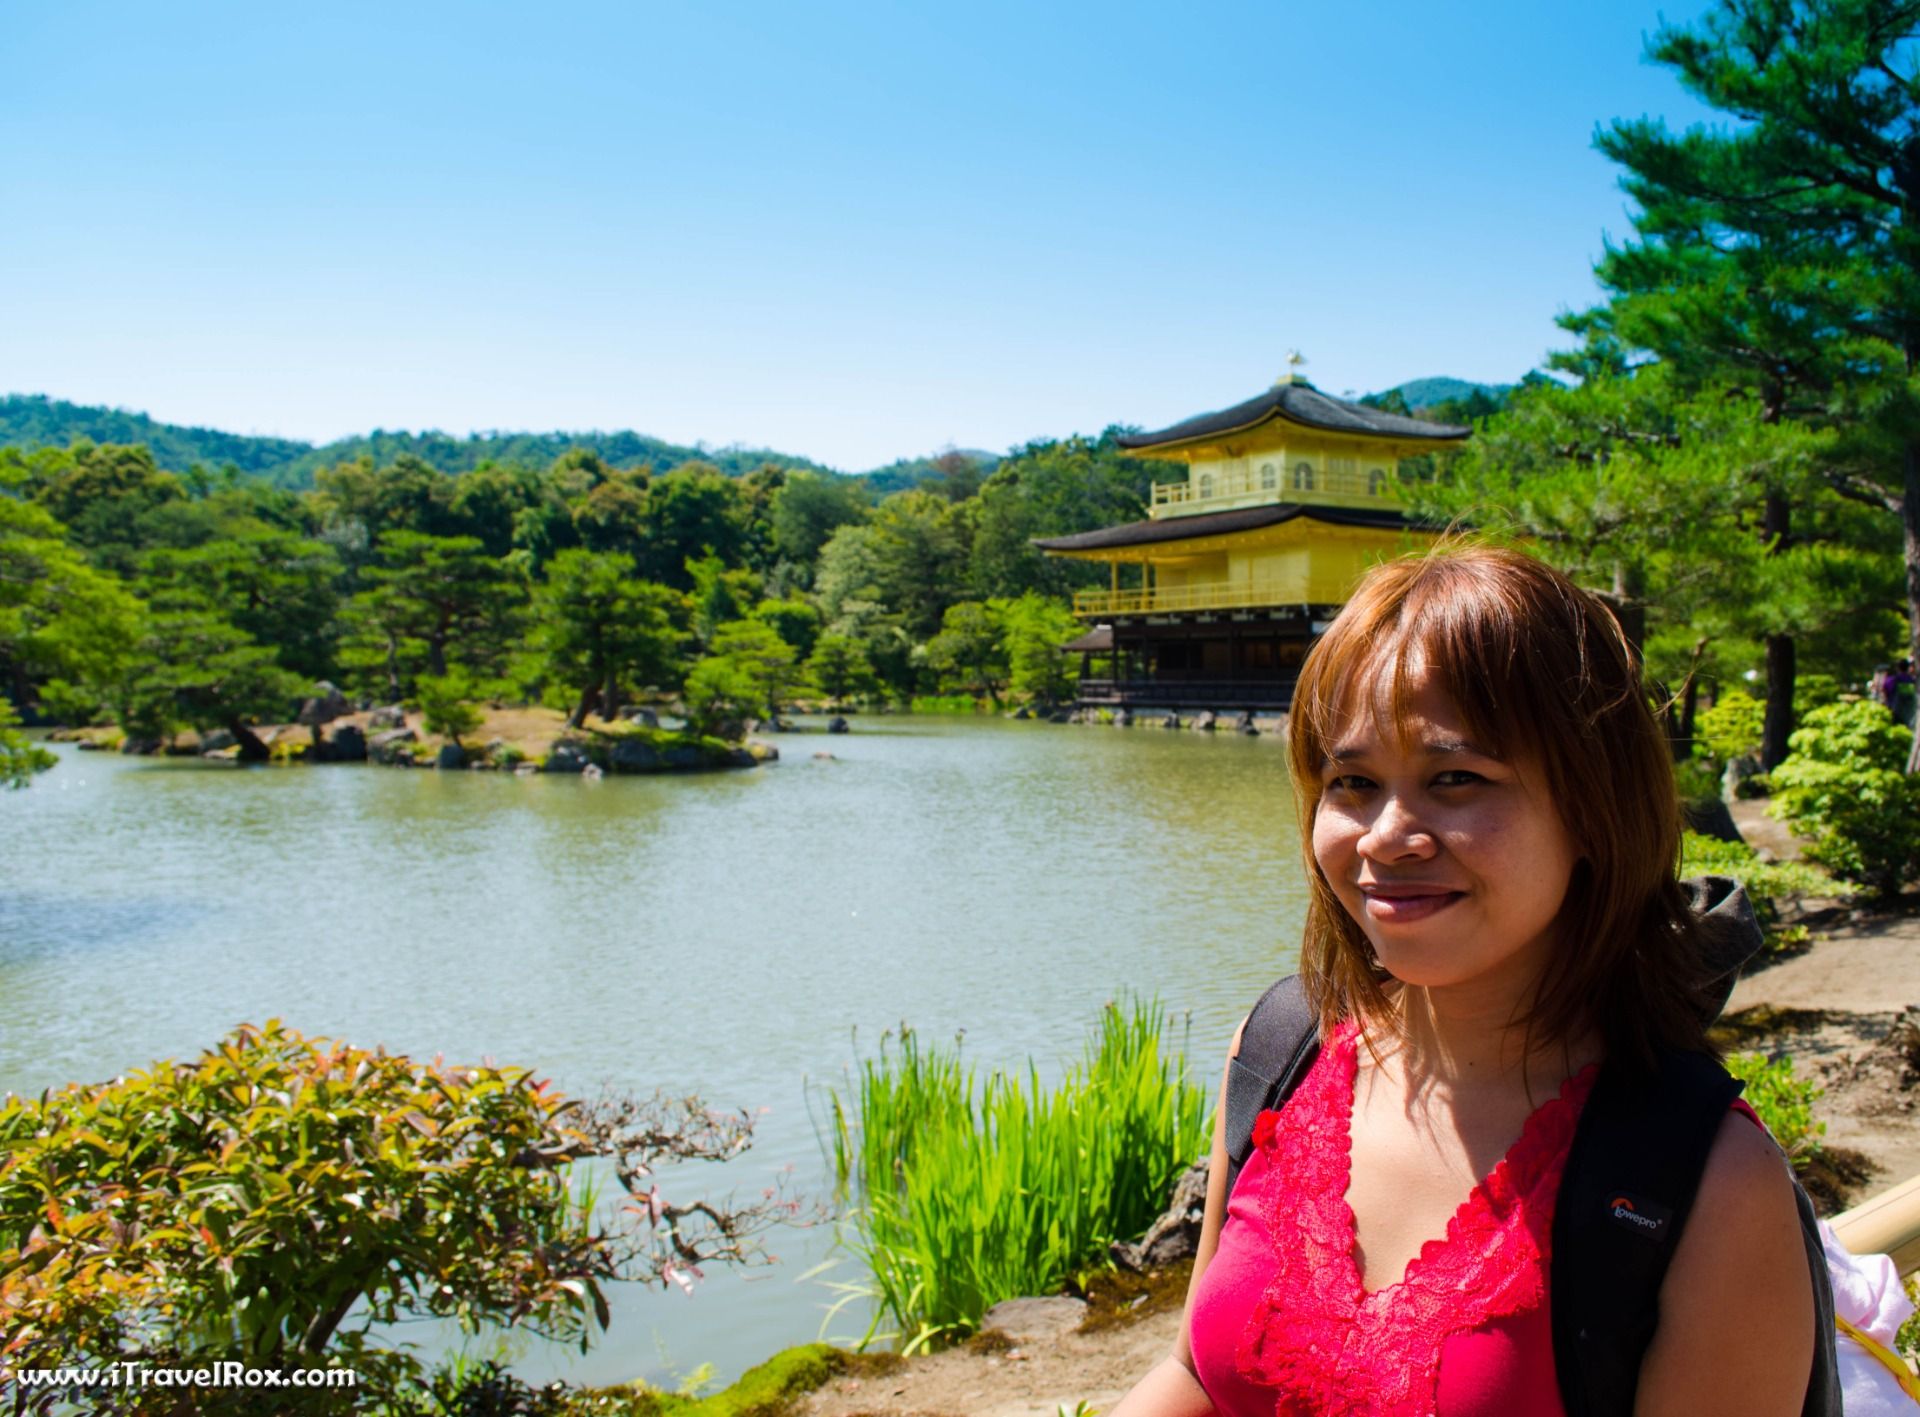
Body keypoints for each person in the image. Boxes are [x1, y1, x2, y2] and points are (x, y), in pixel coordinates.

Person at [1113, 546, 1820, 1416]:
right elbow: (1195, 1372)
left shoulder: (1710, 1183)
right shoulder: (1281, 1049)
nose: (1385, 836)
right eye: (1353, 782)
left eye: (1456, 778)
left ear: (1594, 809)